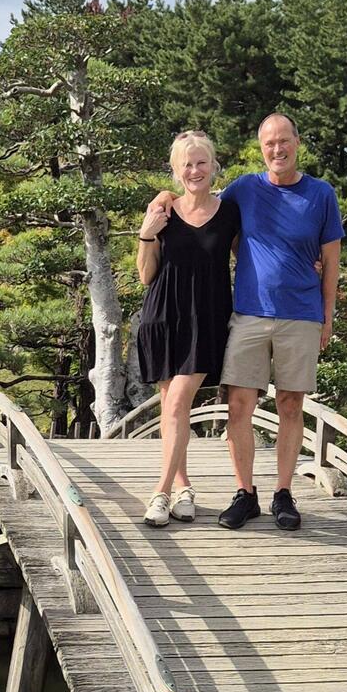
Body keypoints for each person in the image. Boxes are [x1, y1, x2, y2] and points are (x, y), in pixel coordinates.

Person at [215, 113, 343, 532]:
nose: (277, 149)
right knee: (239, 404)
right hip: (250, 312)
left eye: (283, 141)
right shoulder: (243, 189)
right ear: (260, 146)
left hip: (302, 315)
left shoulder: (321, 194)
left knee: (291, 405)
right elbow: (203, 209)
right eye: (269, 143)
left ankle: (283, 494)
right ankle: (245, 493)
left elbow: (332, 265)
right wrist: (162, 199)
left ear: (297, 142)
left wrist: (328, 318)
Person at [134, 131, 240, 527]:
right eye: (186, 164)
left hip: (206, 319)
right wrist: (147, 231)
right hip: (162, 316)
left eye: (201, 162)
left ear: (213, 166)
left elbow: (254, 259)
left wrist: (307, 266)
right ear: (176, 171)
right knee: (170, 408)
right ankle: (183, 489)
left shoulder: (230, 213)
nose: (194, 170)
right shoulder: (162, 211)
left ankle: (159, 493)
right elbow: (146, 276)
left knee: (178, 404)